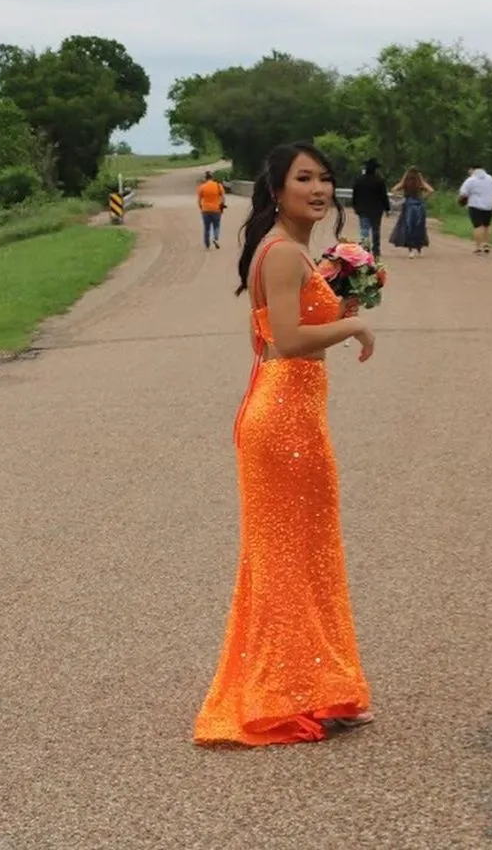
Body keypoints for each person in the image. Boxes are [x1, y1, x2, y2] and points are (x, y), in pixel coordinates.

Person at [194, 141, 375, 746]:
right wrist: (354, 325)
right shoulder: (279, 252)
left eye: (324, 178)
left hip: (295, 416)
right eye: (304, 179)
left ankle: (319, 685)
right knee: (289, 558)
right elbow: (288, 341)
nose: (318, 189)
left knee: (308, 554)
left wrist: (348, 297)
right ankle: (291, 691)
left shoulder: (291, 252)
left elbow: (296, 328)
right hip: (282, 422)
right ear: (276, 190)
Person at [388, 166, 434, 258]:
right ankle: (419, 249)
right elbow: (431, 190)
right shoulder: (420, 183)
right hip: (419, 206)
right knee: (419, 228)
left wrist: (402, 194)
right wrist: (423, 196)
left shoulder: (406, 182)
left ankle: (411, 250)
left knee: (409, 228)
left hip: (409, 205)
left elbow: (393, 189)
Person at [351, 158, 391, 259]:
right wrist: (387, 208)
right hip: (376, 209)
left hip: (363, 208)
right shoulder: (379, 181)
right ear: (375, 169)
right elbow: (383, 196)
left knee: (364, 229)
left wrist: (355, 206)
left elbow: (355, 194)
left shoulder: (359, 180)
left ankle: (365, 248)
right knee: (376, 230)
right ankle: (376, 250)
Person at [457, 164, 492, 254]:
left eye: (469, 170)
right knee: (487, 225)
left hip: (475, 206)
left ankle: (478, 247)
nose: (468, 171)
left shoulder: (471, 180)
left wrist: (460, 201)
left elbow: (463, 193)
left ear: (473, 169)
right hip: (489, 205)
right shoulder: (490, 178)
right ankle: (486, 244)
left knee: (477, 226)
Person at [197, 169, 226, 249]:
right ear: (212, 178)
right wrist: (222, 205)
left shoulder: (202, 187)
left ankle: (207, 243)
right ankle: (215, 238)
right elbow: (223, 197)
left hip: (205, 210)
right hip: (216, 209)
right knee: (216, 225)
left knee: (206, 228)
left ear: (205, 178)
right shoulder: (218, 185)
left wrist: (201, 208)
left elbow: (199, 201)